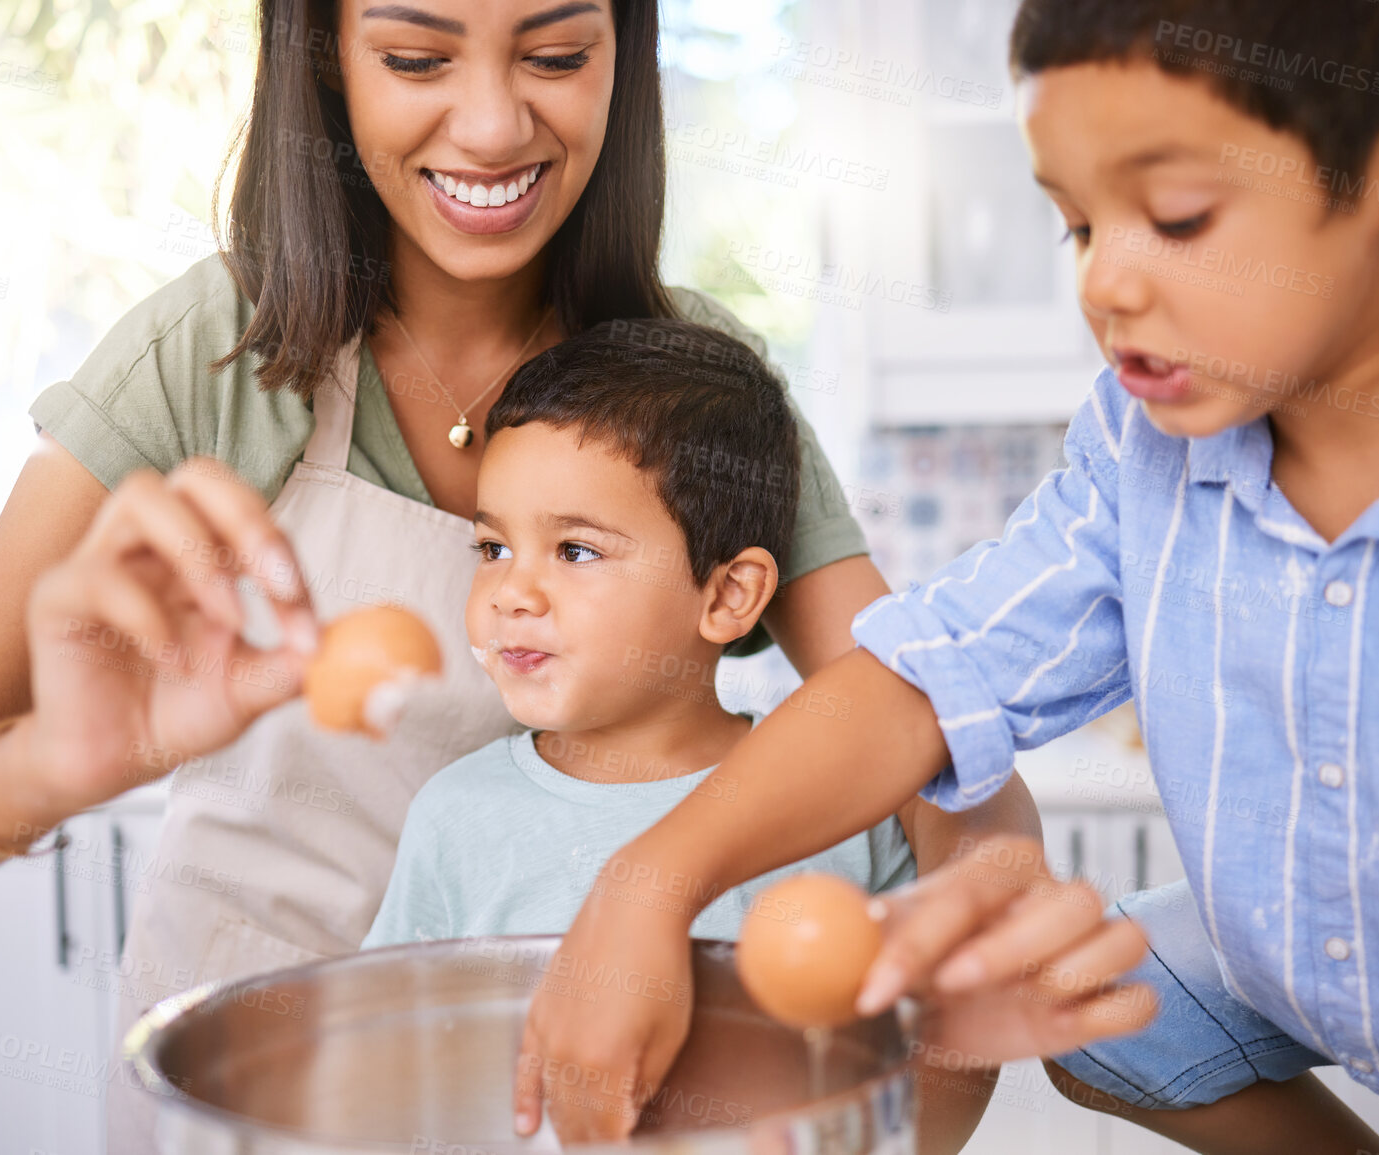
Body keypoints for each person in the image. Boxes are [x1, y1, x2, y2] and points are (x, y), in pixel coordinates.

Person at [0, 0, 1043, 1147]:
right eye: (415, 57)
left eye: (558, 55)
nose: (497, 124)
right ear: (323, 55)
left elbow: (938, 743)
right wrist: (44, 771)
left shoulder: (690, 387)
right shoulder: (216, 359)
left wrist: (910, 1088)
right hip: (257, 1105)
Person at [511, 2, 1379, 1153]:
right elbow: (921, 676)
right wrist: (646, 886)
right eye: (1077, 227)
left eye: (1178, 216)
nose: (1105, 285)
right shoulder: (1154, 446)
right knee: (1094, 1007)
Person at [361, 318, 1070, 1151]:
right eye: (492, 545)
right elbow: (395, 1068)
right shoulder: (456, 817)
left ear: (730, 595)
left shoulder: (842, 806)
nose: (512, 591)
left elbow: (950, 1053)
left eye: (576, 551)